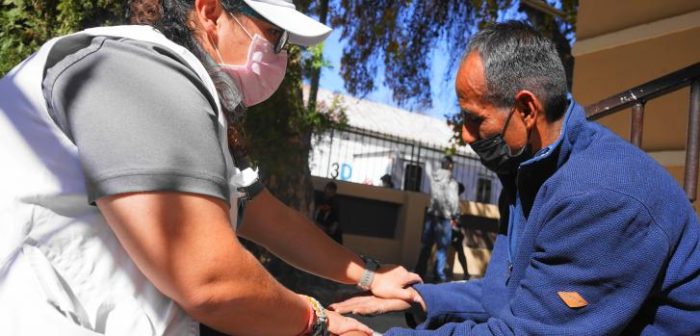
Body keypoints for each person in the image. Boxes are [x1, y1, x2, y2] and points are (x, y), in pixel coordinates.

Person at [0, 0, 421, 335]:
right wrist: (318, 322)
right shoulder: (137, 72)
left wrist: (369, 276)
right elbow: (209, 280)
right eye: (273, 36)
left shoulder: (179, 90)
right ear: (211, 13)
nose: (280, 56)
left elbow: (266, 216)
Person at [330, 21, 700, 335]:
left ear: (525, 109)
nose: (467, 134)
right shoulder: (529, 175)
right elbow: (507, 294)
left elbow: (523, 330)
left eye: (475, 118)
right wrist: (422, 298)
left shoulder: (602, 197)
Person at [414, 156, 460, 283]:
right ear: (450, 166)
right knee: (442, 248)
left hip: (431, 215)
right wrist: (455, 214)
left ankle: (419, 272)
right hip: (444, 218)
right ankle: (438, 275)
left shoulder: (434, 178)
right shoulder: (452, 182)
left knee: (426, 247)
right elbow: (453, 201)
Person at [449, 182, 469, 281]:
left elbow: (456, 217)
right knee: (459, 252)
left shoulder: (453, 200)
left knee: (443, 250)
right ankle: (466, 273)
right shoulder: (455, 201)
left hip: (453, 230)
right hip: (454, 230)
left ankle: (466, 272)